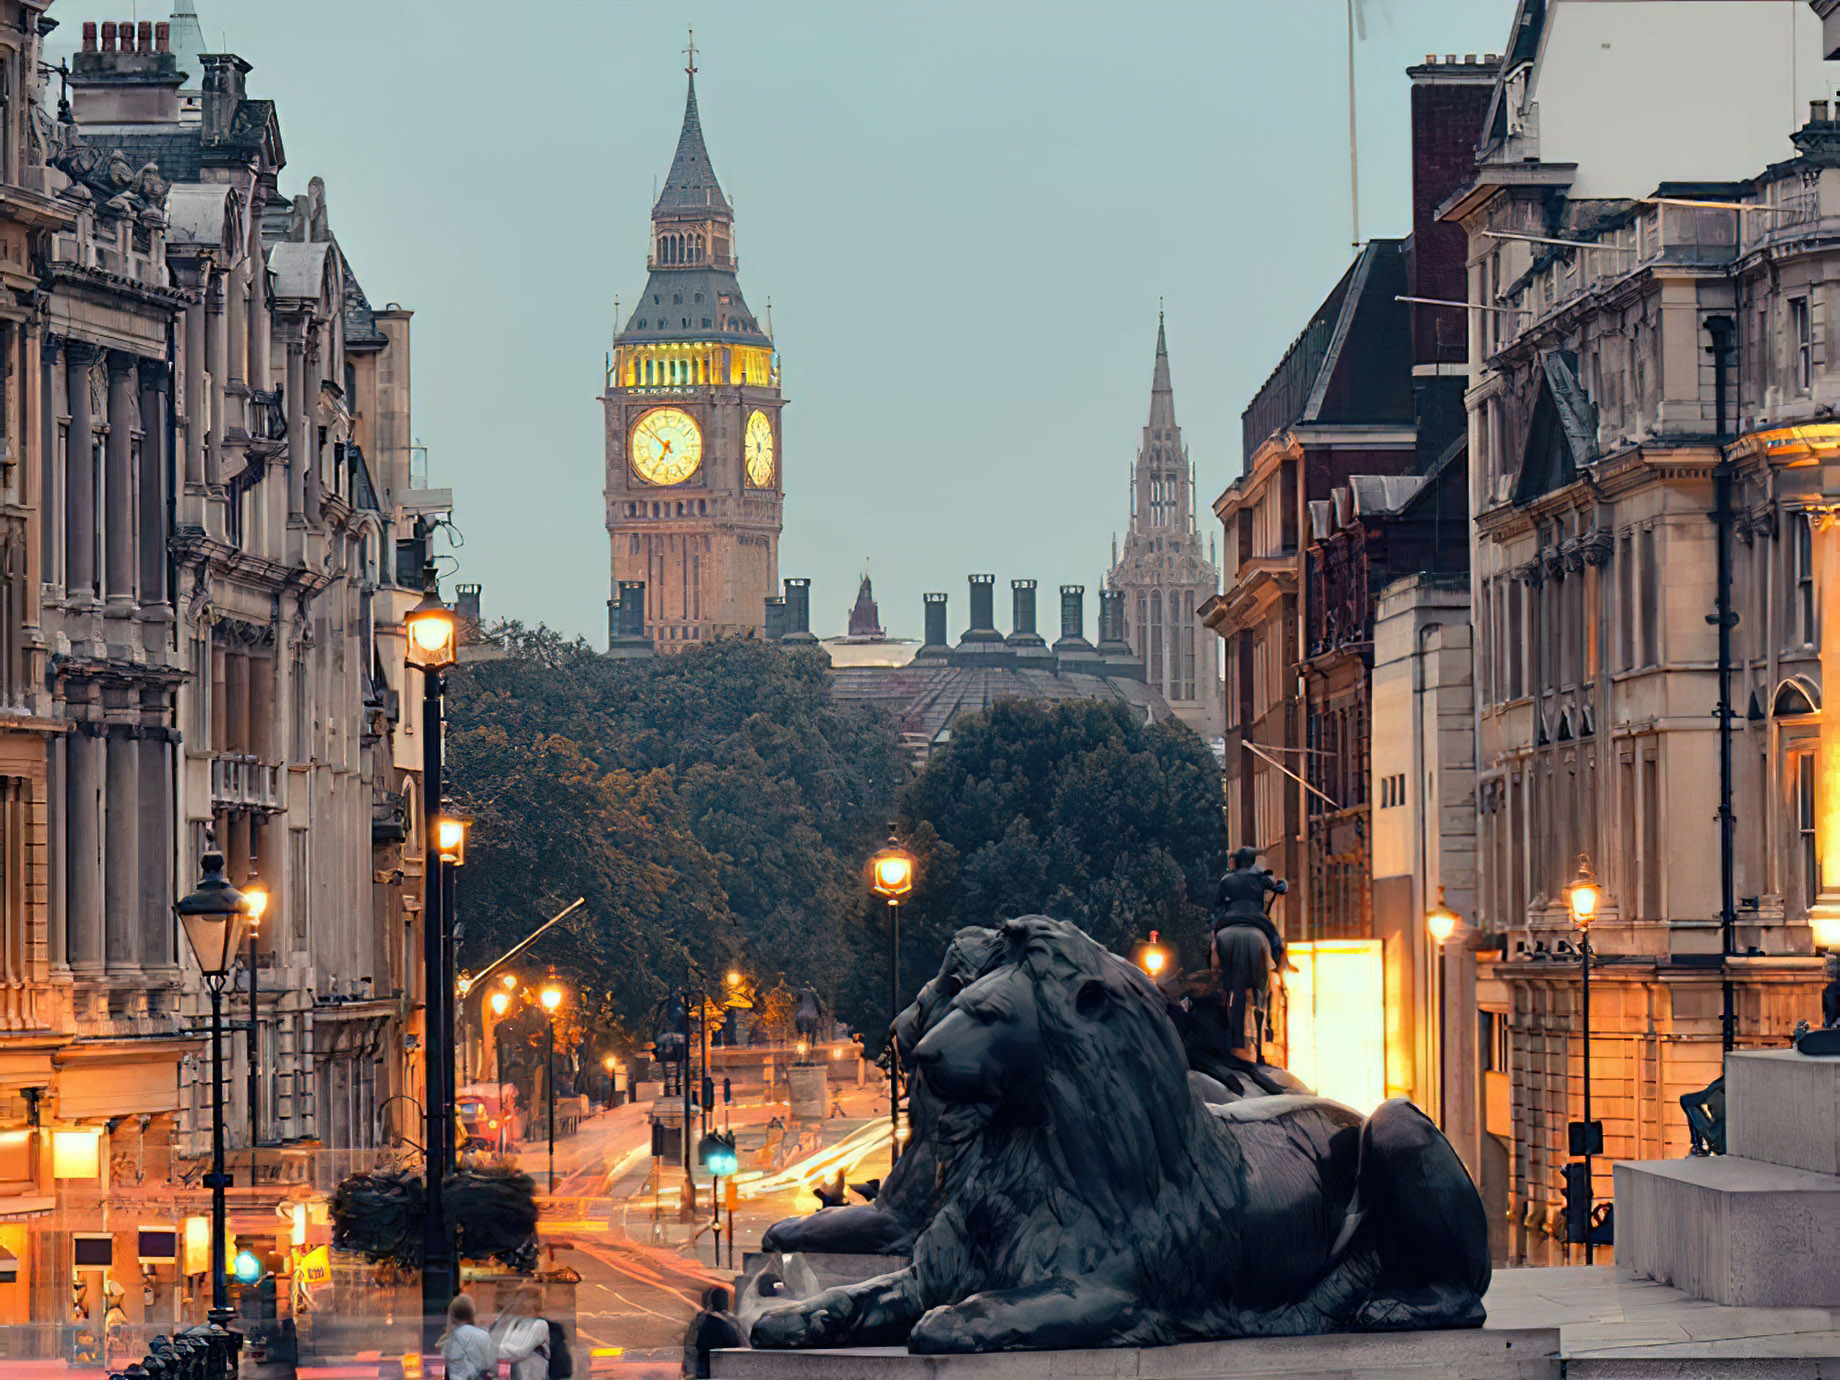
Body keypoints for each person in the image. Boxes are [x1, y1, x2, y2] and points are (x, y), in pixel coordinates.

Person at [490, 1282, 552, 1380]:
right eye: (517, 1297)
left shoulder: (540, 1325)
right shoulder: (514, 1322)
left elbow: (521, 1352)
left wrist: (495, 1350)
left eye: (523, 1297)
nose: (516, 1302)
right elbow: (501, 1345)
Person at [682, 1284, 745, 1379]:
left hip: (709, 1369)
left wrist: (691, 1371)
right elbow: (743, 1344)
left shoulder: (703, 1320)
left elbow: (690, 1346)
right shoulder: (731, 1321)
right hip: (719, 1369)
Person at [439, 1293, 497, 1380]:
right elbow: (490, 1364)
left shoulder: (449, 1340)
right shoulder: (484, 1336)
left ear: (452, 1315)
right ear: (472, 1313)